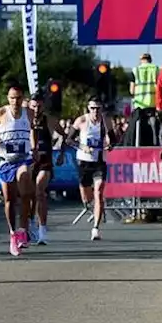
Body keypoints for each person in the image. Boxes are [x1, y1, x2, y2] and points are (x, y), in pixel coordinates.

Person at [0, 85, 35, 255]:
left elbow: (33, 129)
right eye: (12, 98)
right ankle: (13, 233)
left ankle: (23, 229)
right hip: (5, 161)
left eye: (18, 98)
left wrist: (34, 146)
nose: (15, 102)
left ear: (22, 98)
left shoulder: (29, 113)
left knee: (25, 183)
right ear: (8, 98)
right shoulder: (1, 113)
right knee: (9, 200)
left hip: (23, 158)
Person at [65, 97, 114, 241]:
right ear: (88, 108)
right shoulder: (81, 121)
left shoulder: (106, 121)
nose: (95, 112)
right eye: (93, 108)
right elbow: (68, 140)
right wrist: (82, 146)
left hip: (100, 161)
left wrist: (110, 145)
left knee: (99, 192)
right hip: (84, 161)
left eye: (98, 108)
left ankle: (96, 228)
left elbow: (115, 139)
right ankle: (91, 205)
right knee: (86, 196)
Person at [28, 92, 64, 245]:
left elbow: (64, 134)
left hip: (45, 162)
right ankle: (29, 224)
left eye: (39, 106)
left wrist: (61, 152)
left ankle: (42, 229)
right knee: (28, 196)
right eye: (34, 106)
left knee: (39, 192)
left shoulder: (49, 119)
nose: (36, 109)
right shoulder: (25, 119)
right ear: (29, 105)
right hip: (29, 162)